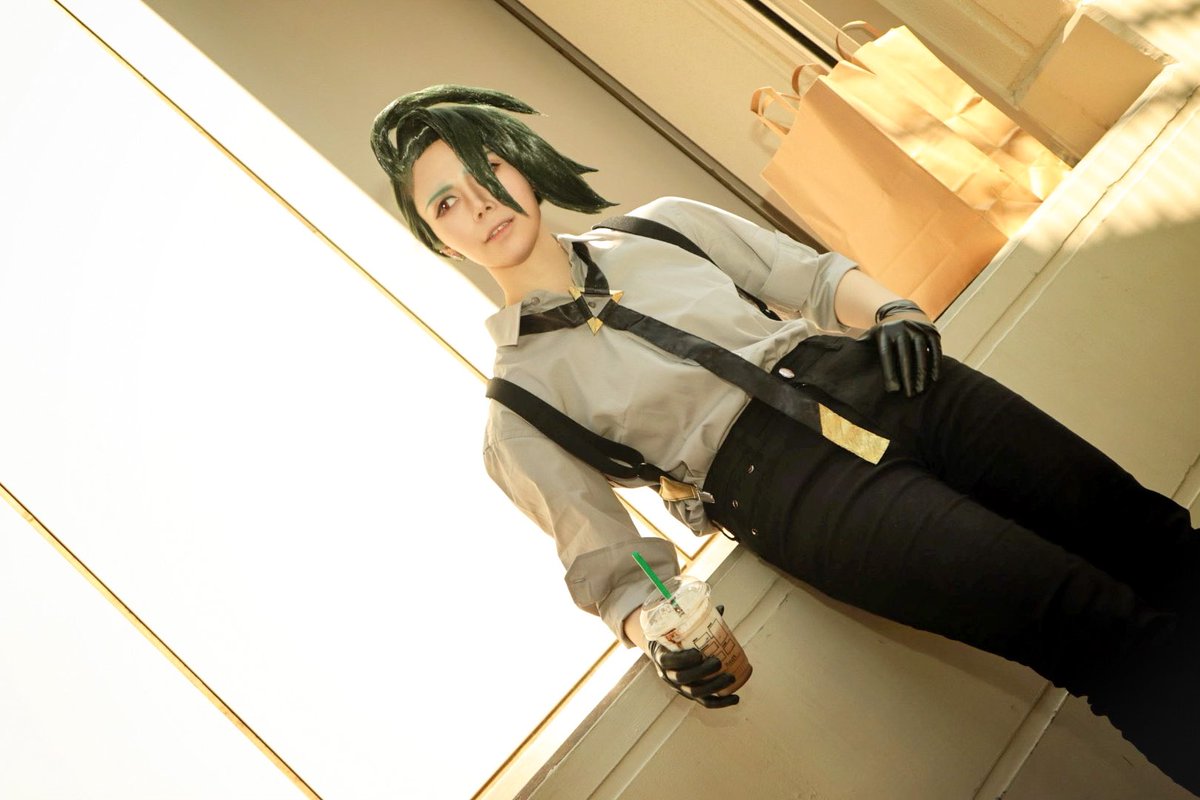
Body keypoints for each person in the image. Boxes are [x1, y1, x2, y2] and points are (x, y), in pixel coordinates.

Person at [371, 85, 1200, 793]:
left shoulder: (663, 226)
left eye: (486, 171)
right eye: (445, 203)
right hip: (793, 492)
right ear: (437, 238)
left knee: (1155, 539)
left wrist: (894, 311)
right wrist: (657, 639)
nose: (479, 204)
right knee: (1089, 627)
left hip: (888, 380)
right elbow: (613, 569)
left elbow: (808, 276)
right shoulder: (517, 407)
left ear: (522, 164)